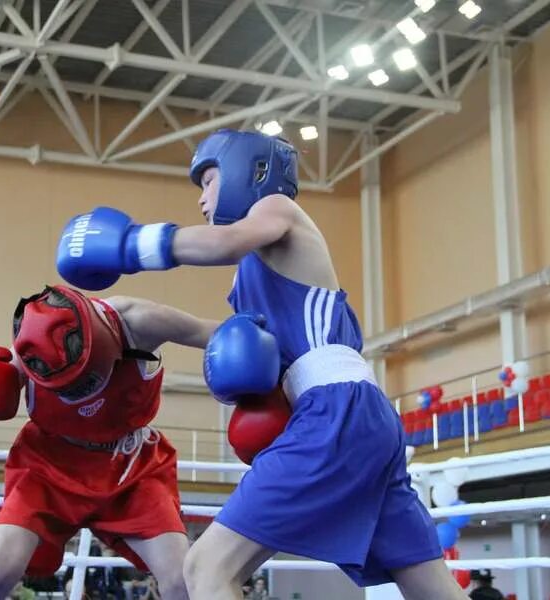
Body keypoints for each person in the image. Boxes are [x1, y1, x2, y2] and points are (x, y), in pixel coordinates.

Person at [56, 128, 468, 600]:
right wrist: (134, 316)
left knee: (206, 568)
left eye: (208, 181)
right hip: (359, 418)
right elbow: (228, 337)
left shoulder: (277, 211)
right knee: (430, 585)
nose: (202, 200)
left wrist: (133, 245)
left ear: (247, 172)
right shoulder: (254, 273)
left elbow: (223, 242)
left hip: (335, 413)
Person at [0, 285, 220, 600]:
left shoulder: (140, 322)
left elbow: (216, 334)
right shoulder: (27, 354)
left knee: (183, 580)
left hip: (130, 466)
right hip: (48, 466)